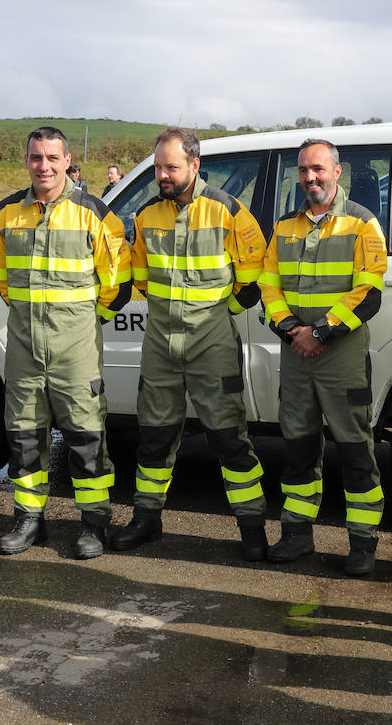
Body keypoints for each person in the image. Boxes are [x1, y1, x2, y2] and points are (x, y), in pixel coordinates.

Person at [110, 127, 270, 559]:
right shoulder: (146, 216)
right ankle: (146, 520)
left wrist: (217, 317)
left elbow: (254, 279)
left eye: (170, 167)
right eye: (158, 166)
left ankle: (252, 527)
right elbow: (140, 279)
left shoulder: (228, 212)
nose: (161, 174)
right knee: (154, 438)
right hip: (160, 345)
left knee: (228, 440)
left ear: (194, 166)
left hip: (212, 346)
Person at [0, 126, 130, 559]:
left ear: (68, 161)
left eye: (52, 158)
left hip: (76, 351)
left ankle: (93, 524)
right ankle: (29, 521)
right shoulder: (6, 213)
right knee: (25, 438)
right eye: (35, 157)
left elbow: (117, 285)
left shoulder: (95, 213)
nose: (43, 166)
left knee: (86, 440)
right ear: (26, 160)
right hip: (25, 349)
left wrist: (83, 324)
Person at [258, 139, 388, 575]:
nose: (310, 178)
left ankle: (363, 544)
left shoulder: (362, 223)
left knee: (354, 451)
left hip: (340, 356)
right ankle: (296, 535)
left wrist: (320, 332)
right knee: (297, 448)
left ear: (337, 171)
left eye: (318, 169)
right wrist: (290, 328)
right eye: (303, 171)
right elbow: (268, 285)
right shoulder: (284, 226)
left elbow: (368, 293)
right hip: (296, 354)